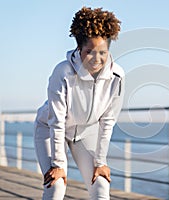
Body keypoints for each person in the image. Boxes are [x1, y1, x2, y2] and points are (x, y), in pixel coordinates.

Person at [34, 7, 124, 200]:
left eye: (103, 52)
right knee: (56, 185)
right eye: (89, 51)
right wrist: (58, 164)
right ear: (79, 48)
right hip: (50, 130)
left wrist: (100, 162)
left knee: (101, 184)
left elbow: (108, 120)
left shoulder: (116, 76)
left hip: (85, 133)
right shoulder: (63, 72)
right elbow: (56, 121)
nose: (97, 59)